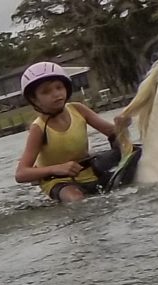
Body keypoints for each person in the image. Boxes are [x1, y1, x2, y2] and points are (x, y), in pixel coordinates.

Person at [14, 61, 124, 204]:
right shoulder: (38, 129)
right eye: (46, 91)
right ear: (34, 99)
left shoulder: (78, 109)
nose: (56, 94)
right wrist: (58, 169)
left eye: (59, 87)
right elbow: (21, 173)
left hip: (89, 171)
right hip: (59, 180)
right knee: (76, 199)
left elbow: (113, 132)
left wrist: (121, 125)